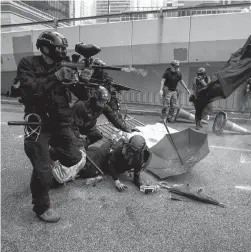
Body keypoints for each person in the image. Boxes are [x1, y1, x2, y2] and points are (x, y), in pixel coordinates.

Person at [16, 31, 92, 223]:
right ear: (45, 48)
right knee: (42, 170)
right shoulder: (28, 64)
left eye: (63, 48)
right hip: (37, 123)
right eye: (58, 48)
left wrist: (83, 80)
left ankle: (46, 155)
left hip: (59, 124)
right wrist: (56, 77)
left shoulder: (65, 65)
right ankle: (42, 207)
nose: (62, 51)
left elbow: (83, 96)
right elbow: (31, 91)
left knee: (75, 157)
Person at [71, 86, 138, 150]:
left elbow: (114, 119)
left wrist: (126, 128)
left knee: (98, 136)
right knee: (75, 145)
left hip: (89, 127)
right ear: (95, 98)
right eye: (100, 101)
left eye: (104, 101)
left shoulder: (103, 106)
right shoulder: (80, 105)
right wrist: (78, 140)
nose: (102, 104)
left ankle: (85, 144)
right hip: (77, 128)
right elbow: (73, 126)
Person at [80, 135, 152, 192]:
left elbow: (136, 176)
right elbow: (110, 164)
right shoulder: (120, 150)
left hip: (115, 166)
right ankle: (111, 140)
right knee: (88, 167)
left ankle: (112, 140)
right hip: (105, 159)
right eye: (130, 150)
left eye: (134, 151)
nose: (131, 153)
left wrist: (142, 186)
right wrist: (117, 181)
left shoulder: (140, 158)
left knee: (95, 155)